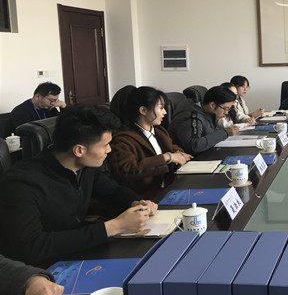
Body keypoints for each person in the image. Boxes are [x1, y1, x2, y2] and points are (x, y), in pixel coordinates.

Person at [0, 104, 158, 266]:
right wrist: (114, 227)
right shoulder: (21, 183)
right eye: (105, 145)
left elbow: (111, 191)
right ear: (79, 150)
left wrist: (136, 202)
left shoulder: (84, 166)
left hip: (78, 253)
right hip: (41, 270)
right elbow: (33, 246)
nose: (109, 150)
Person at [107, 86, 193, 194]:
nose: (165, 112)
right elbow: (127, 170)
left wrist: (179, 153)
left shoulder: (159, 131)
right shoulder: (122, 139)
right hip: (144, 196)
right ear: (143, 110)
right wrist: (167, 157)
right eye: (161, 108)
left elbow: (171, 147)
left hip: (167, 187)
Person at [169, 85, 240, 155]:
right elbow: (194, 146)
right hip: (189, 158)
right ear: (212, 105)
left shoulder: (208, 111)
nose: (226, 112)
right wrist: (225, 133)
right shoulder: (190, 117)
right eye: (225, 108)